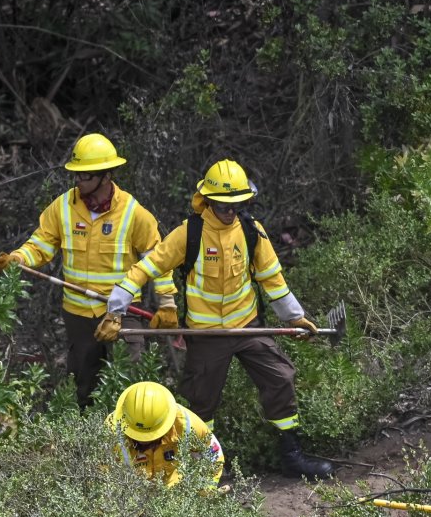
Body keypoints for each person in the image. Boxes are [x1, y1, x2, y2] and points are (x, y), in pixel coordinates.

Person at [97, 159, 333, 480]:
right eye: (224, 205)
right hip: (206, 335)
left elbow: (272, 279)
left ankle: (292, 455)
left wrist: (296, 318)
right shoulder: (189, 233)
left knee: (281, 378)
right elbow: (147, 267)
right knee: (201, 403)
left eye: (238, 204)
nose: (231, 211)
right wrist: (115, 310)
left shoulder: (251, 232)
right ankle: (208, 467)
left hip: (248, 326)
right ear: (208, 201)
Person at [0, 133, 176, 410]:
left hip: (124, 312)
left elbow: (157, 259)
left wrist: (166, 303)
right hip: (78, 315)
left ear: (106, 176)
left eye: (85, 177)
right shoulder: (63, 207)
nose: (78, 182)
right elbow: (41, 244)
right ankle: (84, 443)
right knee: (83, 384)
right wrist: (19, 258)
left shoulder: (133, 213)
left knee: (132, 383)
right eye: (76, 176)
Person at [106, 381, 224, 490]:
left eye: (149, 436)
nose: (143, 441)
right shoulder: (109, 433)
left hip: (175, 496)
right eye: (138, 436)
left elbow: (214, 455)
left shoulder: (186, 424)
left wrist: (206, 491)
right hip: (131, 500)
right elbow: (99, 476)